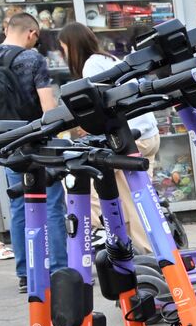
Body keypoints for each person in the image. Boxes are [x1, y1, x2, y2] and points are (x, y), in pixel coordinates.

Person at [58, 21, 158, 253]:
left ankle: (109, 235)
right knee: (140, 199)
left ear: (72, 46)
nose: (63, 53)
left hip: (130, 139)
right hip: (147, 134)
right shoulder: (108, 59)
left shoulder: (91, 67)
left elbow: (102, 110)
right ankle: (146, 250)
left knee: (84, 175)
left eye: (63, 47)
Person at [0, 12, 63, 292]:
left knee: (19, 204)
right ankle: (57, 268)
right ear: (32, 33)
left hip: (7, 140)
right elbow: (48, 109)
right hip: (36, 141)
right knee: (52, 205)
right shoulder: (33, 59)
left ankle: (25, 272)